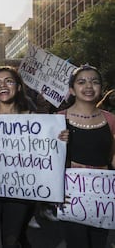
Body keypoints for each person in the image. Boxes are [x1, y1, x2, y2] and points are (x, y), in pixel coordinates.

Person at [0, 66, 68, 248]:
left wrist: (59, 138)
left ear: (18, 87)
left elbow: (45, 151)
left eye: (8, 81)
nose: (2, 85)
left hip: (20, 190)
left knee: (12, 241)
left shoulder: (32, 119)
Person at [58, 64, 115, 248]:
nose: (89, 86)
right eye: (82, 82)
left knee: (99, 243)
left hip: (103, 197)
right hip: (70, 197)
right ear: (72, 89)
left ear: (101, 88)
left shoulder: (111, 120)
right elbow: (46, 162)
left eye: (94, 82)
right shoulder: (58, 119)